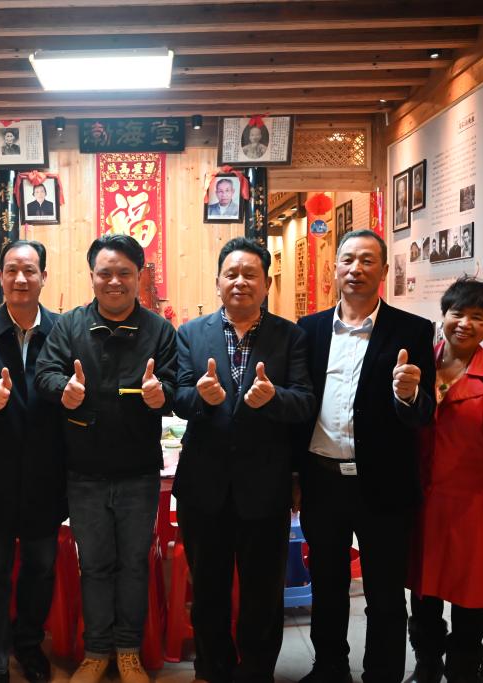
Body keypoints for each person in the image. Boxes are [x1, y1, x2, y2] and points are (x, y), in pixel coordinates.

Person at [173, 237, 317, 683]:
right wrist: (201, 397)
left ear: (266, 283)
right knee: (208, 589)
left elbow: (305, 401)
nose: (240, 282)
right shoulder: (190, 333)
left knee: (263, 593)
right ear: (218, 282)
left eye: (250, 274)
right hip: (204, 487)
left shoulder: (290, 335)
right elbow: (178, 397)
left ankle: (256, 671)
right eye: (231, 274)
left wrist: (274, 398)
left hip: (264, 487)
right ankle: (212, 668)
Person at [295, 230, 436, 683]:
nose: (356, 268)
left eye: (368, 260)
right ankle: (329, 666)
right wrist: (294, 475)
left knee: (385, 592)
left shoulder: (413, 330)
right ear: (335, 267)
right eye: (348, 259)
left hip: (384, 482)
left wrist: (408, 395)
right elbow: (300, 406)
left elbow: (424, 413)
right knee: (328, 584)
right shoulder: (308, 329)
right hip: (322, 479)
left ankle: (382, 673)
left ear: (384, 270)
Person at [35, 233, 177, 683]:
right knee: (94, 565)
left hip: (139, 473)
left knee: (134, 564)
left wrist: (162, 394)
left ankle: (128, 650)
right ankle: (96, 651)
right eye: (105, 273)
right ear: (92, 276)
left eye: (124, 273)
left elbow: (177, 383)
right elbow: (45, 373)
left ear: (139, 277)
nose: (114, 281)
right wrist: (64, 389)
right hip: (85, 473)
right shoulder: (70, 326)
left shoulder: (159, 330)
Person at [406, 278, 483, 683]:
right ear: (443, 315)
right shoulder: (417, 368)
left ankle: (464, 670)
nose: (465, 323)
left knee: (469, 597)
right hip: (423, 500)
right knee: (423, 592)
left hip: (473, 504)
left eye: (478, 317)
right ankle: (426, 664)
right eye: (457, 313)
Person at [0, 240, 65, 683]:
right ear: (0, 276)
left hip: (46, 473)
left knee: (40, 569)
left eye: (29, 270)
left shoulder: (62, 329)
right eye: (11, 270)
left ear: (43, 277)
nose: (20, 279)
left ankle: (28, 644)